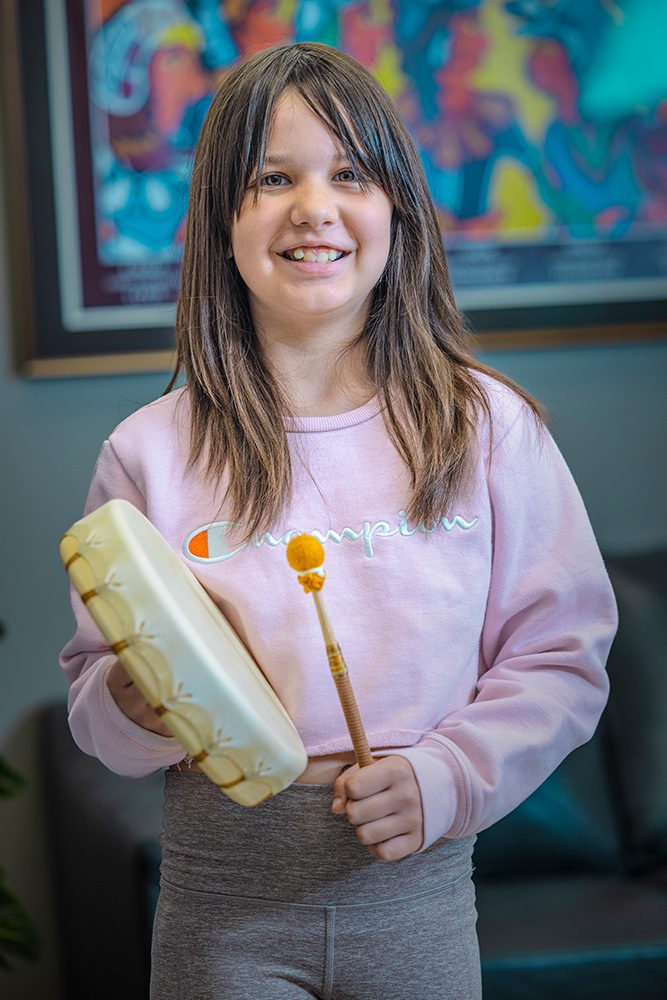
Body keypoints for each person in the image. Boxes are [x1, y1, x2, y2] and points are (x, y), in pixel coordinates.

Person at [60, 41, 617, 1000]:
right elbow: (91, 704)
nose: (312, 207)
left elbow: (562, 658)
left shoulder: (487, 428)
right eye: (272, 178)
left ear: (397, 209)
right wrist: (132, 701)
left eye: (349, 173)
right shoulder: (144, 453)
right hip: (218, 902)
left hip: (419, 892)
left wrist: (447, 778)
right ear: (217, 223)